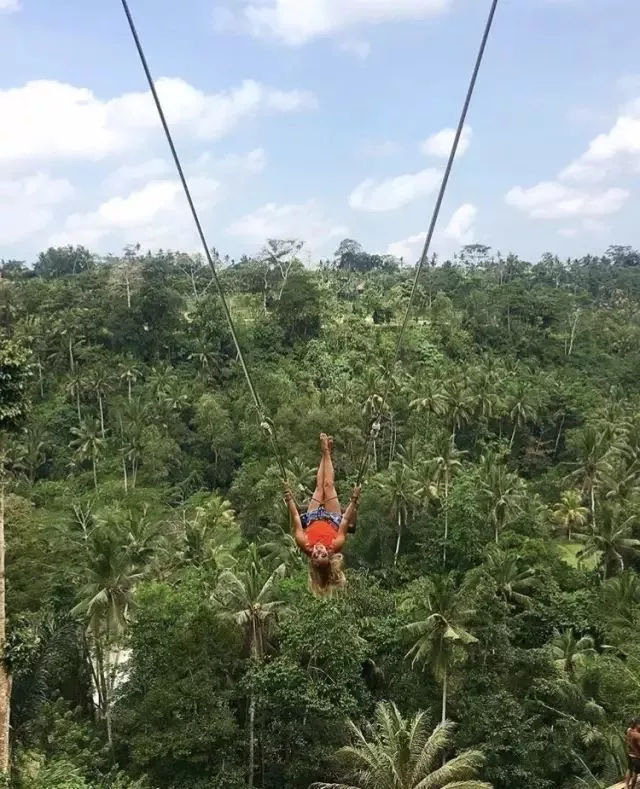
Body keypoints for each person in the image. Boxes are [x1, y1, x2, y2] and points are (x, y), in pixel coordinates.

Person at [284, 433, 361, 595]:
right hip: (333, 519)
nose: (319, 550)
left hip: (312, 518)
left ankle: (325, 451)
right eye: (323, 554)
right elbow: (346, 519)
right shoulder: (335, 545)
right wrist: (353, 501)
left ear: (312, 558)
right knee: (328, 485)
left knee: (319, 487)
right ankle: (326, 452)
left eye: (317, 555)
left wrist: (289, 497)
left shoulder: (303, 543)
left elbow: (297, 518)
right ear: (329, 554)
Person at [626, 719, 640, 789]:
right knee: (635, 773)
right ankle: (632, 787)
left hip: (630, 754)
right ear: (637, 725)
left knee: (629, 769)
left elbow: (628, 742)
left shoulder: (629, 730)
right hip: (636, 756)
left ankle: (626, 786)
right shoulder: (637, 735)